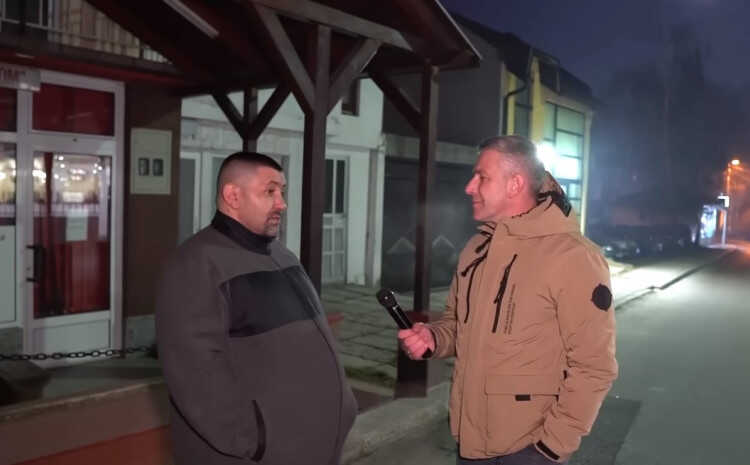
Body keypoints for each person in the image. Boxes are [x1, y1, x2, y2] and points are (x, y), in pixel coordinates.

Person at [398, 136, 618, 464]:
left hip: (528, 450)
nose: (469, 187)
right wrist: (434, 338)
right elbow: (458, 324)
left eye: (482, 177)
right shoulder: (477, 249)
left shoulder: (574, 257)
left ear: (515, 184)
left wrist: (551, 447)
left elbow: (594, 366)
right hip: (470, 442)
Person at [156, 152, 357, 465]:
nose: (282, 203)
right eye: (270, 191)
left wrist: (344, 406)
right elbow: (195, 376)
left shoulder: (283, 256)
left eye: (282, 192)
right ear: (233, 196)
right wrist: (256, 440)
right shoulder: (196, 264)